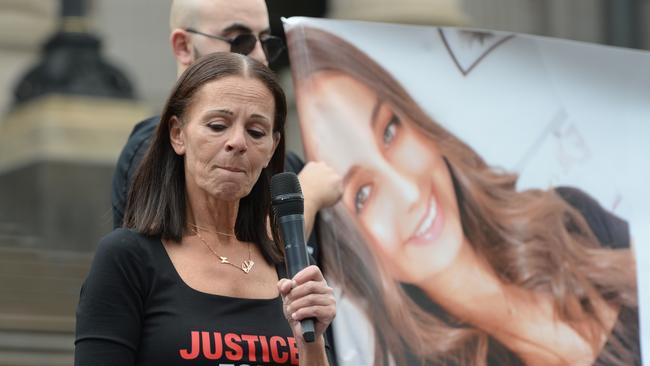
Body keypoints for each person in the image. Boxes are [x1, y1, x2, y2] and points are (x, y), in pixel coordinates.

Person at [287, 27, 640, 366]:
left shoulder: (567, 219)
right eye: (363, 194)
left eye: (390, 131)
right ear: (351, 245)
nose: (409, 192)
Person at [75, 52, 336, 365]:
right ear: (177, 134)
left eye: (256, 132)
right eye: (217, 125)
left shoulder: (293, 267)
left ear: (272, 148)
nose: (237, 142)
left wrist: (312, 342)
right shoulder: (128, 258)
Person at [111, 0, 342, 261]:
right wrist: (308, 197)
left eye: (265, 40)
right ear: (178, 135)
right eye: (238, 39)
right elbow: (218, 261)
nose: (260, 56)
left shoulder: (291, 167)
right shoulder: (154, 145)